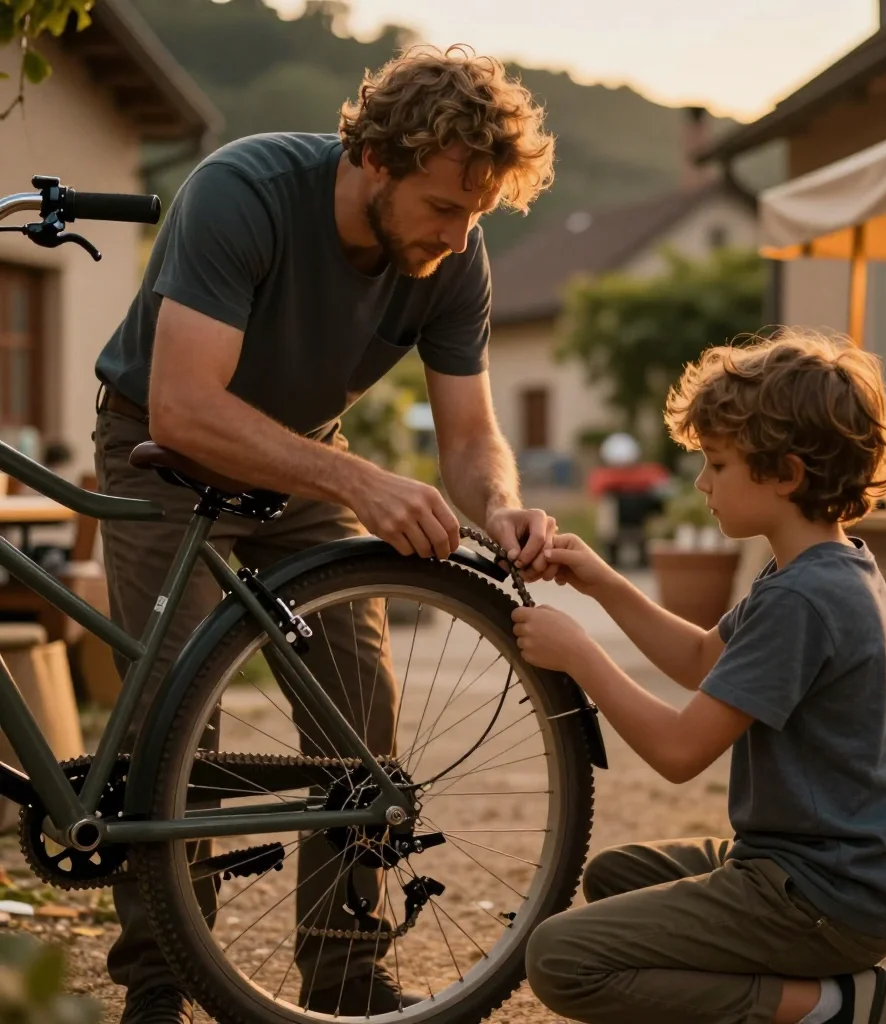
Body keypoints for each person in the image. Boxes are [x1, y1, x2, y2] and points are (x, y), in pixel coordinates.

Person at [92, 44, 559, 1024]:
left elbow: (471, 439)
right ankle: (161, 979)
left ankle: (345, 974)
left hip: (300, 459)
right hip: (160, 448)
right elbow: (183, 407)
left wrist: (502, 504)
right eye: (443, 206)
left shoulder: (451, 253)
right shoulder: (243, 193)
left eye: (476, 212)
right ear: (375, 161)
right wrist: (361, 479)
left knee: (361, 707)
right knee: (173, 714)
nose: (458, 232)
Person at [512, 329, 886, 1024]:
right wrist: (604, 585)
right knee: (613, 878)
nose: (703, 483)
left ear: (786, 474)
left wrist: (583, 654)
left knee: (561, 958)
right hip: (840, 876)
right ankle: (814, 982)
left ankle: (835, 1004)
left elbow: (680, 753)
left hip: (821, 895)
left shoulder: (803, 599)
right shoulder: (823, 568)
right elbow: (706, 660)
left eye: (718, 464)